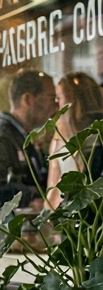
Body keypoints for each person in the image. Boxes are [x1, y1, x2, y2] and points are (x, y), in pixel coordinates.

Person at [0, 68, 56, 217]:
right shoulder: (2, 140)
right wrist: (32, 196)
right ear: (28, 99)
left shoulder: (23, 138)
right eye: (51, 98)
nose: (56, 105)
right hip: (6, 230)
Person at [47, 71, 103, 207]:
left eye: (59, 98)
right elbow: (53, 190)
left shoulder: (96, 137)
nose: (56, 104)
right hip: (74, 212)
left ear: (73, 100)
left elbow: (53, 191)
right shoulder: (60, 137)